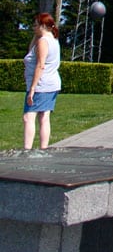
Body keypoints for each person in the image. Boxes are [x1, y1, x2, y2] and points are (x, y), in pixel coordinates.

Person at [23, 12, 61, 149]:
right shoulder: (52, 39)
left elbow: (41, 64)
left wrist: (32, 88)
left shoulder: (44, 41)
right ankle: (43, 149)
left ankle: (27, 150)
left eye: (35, 25)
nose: (33, 27)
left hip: (41, 85)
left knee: (28, 117)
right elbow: (30, 52)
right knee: (44, 117)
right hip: (52, 84)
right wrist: (37, 34)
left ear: (43, 25)